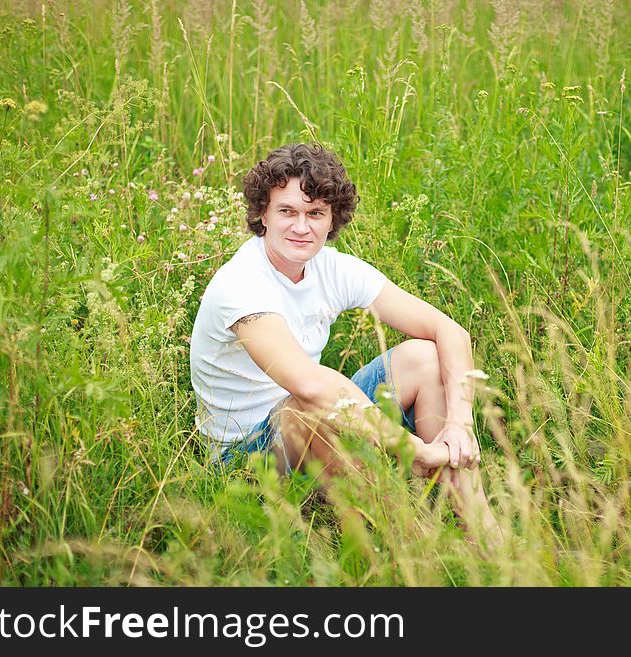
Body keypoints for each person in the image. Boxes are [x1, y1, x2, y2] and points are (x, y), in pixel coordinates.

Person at [189, 142, 499, 546]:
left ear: (332, 219)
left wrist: (459, 424)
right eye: (287, 212)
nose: (302, 227)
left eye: (315, 213)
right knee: (305, 407)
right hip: (248, 457)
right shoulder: (241, 283)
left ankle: (483, 535)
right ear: (263, 214)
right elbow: (309, 386)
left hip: (319, 419)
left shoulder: (332, 268)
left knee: (425, 356)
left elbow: (451, 332)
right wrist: (414, 450)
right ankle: (409, 543)